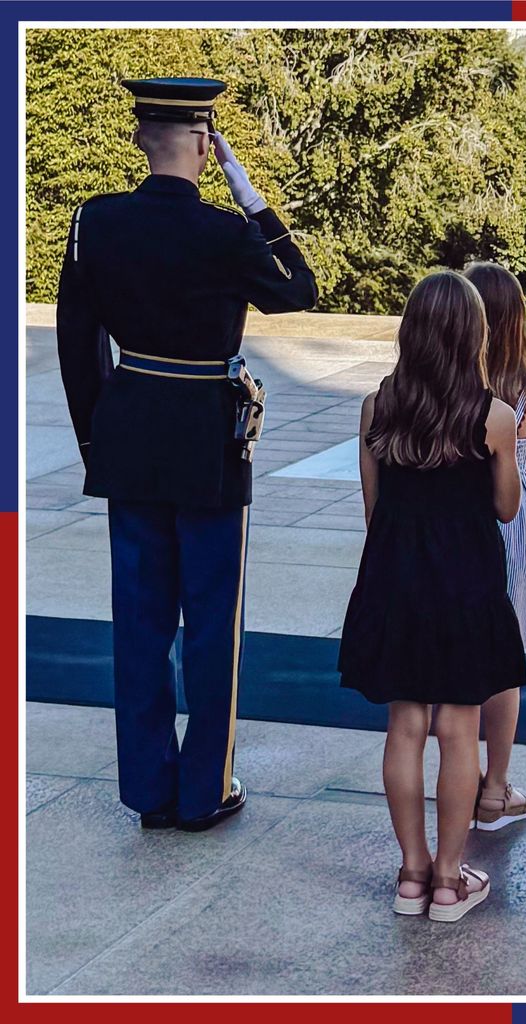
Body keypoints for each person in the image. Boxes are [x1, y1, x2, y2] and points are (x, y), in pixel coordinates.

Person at [56, 77, 317, 832]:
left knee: (138, 621)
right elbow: (296, 289)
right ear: (206, 145)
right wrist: (252, 197)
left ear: (141, 137)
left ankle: (148, 789)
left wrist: (94, 439)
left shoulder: (96, 222)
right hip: (209, 441)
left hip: (131, 435)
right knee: (209, 623)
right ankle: (205, 789)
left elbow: (79, 345)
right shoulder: (225, 232)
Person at [338, 270, 526, 923]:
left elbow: (374, 510)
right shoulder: (493, 416)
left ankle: (411, 873)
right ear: (474, 334)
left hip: (395, 577)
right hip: (467, 583)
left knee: (405, 724)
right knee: (459, 727)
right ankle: (451, 878)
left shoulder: (376, 407)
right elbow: (506, 509)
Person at [462, 262, 526, 833]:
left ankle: (464, 776)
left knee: (462, 660)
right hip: (517, 527)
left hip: (463, 523)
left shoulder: (453, 386)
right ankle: (495, 788)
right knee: (506, 665)